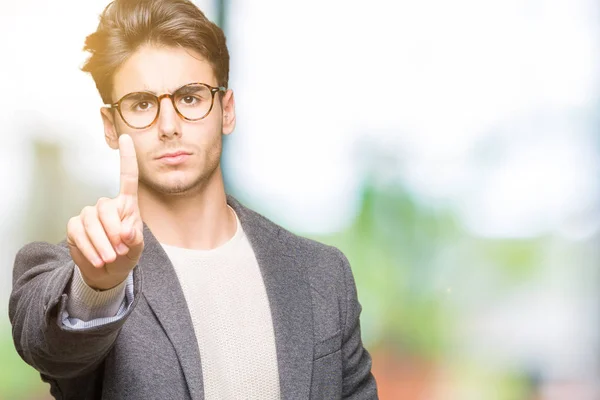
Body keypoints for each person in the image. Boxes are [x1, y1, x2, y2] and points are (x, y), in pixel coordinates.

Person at [9, 0, 378, 398]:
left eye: (190, 98)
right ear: (111, 128)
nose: (168, 126)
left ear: (226, 110)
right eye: (142, 104)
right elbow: (50, 349)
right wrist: (99, 288)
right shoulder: (75, 274)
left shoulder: (322, 276)